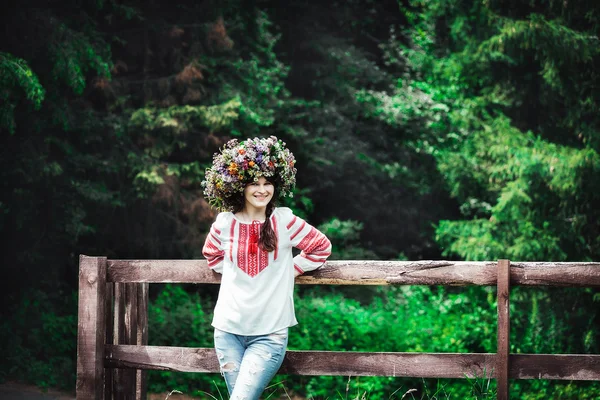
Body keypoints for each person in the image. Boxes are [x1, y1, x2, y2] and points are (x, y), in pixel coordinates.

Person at [201, 136, 332, 400]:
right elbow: (211, 254)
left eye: (267, 183)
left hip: (269, 334)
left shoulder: (284, 220)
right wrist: (233, 273)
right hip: (227, 331)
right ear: (239, 187)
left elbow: (321, 247)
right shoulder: (224, 223)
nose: (262, 190)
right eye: (254, 183)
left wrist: (290, 269)